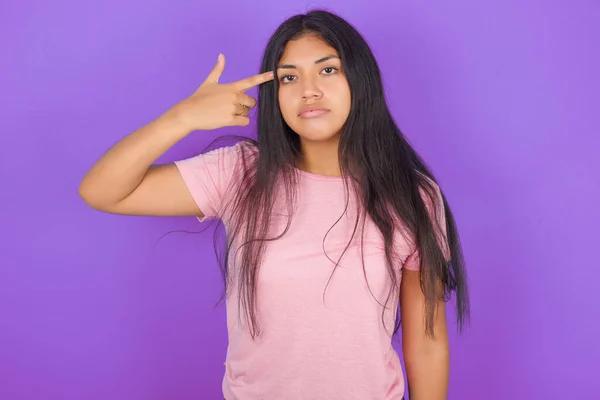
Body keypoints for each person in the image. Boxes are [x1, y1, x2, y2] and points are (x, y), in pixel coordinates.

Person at [79, 9, 469, 400]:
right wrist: (181, 118)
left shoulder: (412, 195)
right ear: (275, 94)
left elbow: (428, 343)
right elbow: (102, 191)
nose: (309, 90)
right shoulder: (242, 172)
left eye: (328, 70)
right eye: (289, 77)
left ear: (360, 80)